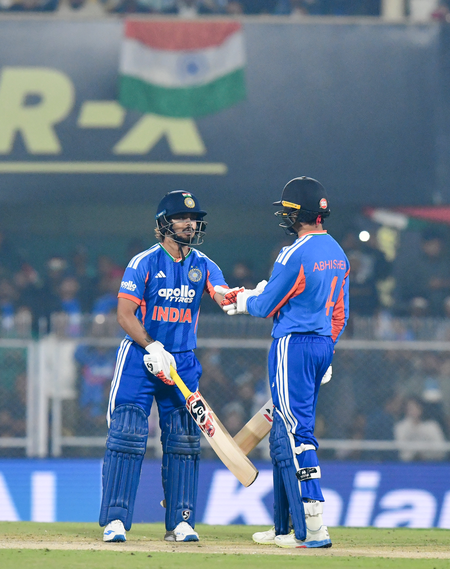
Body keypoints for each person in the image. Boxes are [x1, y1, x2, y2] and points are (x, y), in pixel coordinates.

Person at [217, 177, 349, 549]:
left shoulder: (293, 253)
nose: (286, 216)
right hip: (320, 344)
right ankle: (284, 527)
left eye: (289, 210)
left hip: (292, 346)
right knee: (282, 436)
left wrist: (242, 300)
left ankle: (314, 528)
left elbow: (264, 306)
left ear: (299, 213)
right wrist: (327, 352)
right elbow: (339, 314)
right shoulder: (338, 252)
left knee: (294, 433)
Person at [99, 189, 229, 544]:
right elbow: (124, 315)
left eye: (193, 218)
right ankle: (115, 520)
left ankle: (181, 522)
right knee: (127, 434)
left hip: (181, 362)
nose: (190, 224)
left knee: (184, 439)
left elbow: (221, 293)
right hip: (140, 358)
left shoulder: (204, 264)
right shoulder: (144, 262)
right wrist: (151, 345)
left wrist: (240, 298)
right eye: (182, 218)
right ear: (164, 224)